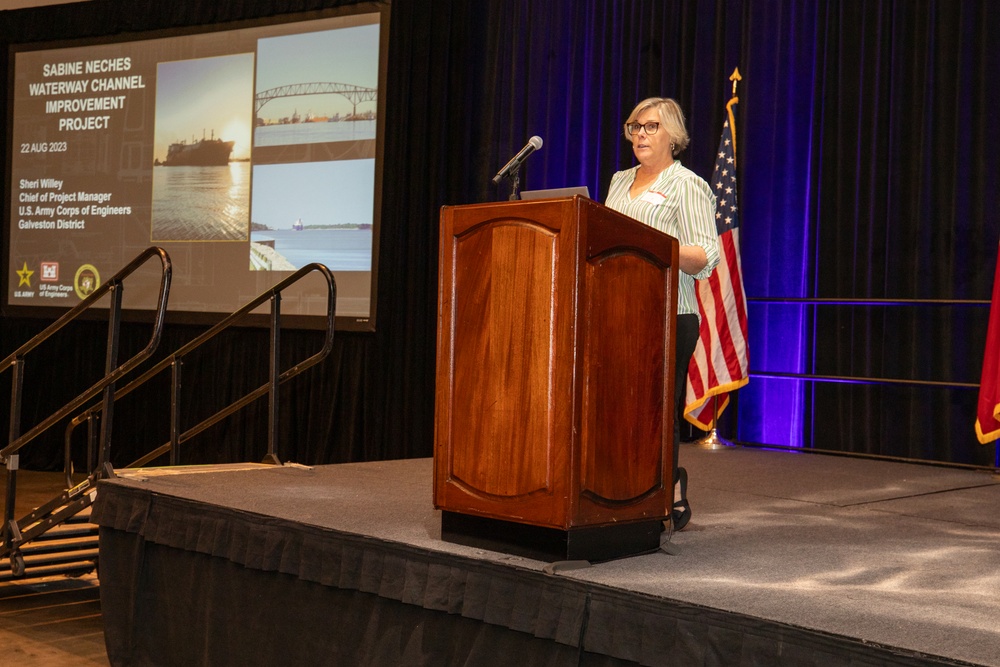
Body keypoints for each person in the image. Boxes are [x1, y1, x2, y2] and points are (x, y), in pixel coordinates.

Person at [604, 97, 720, 531]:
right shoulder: (619, 181)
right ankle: (620, 489)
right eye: (635, 126)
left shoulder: (687, 184)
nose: (640, 134)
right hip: (614, 312)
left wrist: (654, 246)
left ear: (673, 135)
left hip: (669, 313)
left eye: (651, 127)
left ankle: (660, 490)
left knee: (653, 409)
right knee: (616, 406)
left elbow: (705, 255)